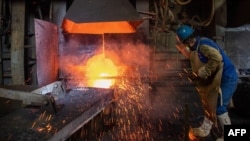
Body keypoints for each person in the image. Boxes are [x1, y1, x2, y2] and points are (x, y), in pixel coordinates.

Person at [175, 25, 238, 141]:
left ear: (188, 41)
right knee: (209, 103)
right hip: (218, 78)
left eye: (183, 43)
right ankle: (205, 128)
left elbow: (217, 59)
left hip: (227, 78)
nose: (184, 45)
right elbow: (194, 56)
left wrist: (201, 73)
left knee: (218, 106)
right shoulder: (197, 46)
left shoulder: (204, 45)